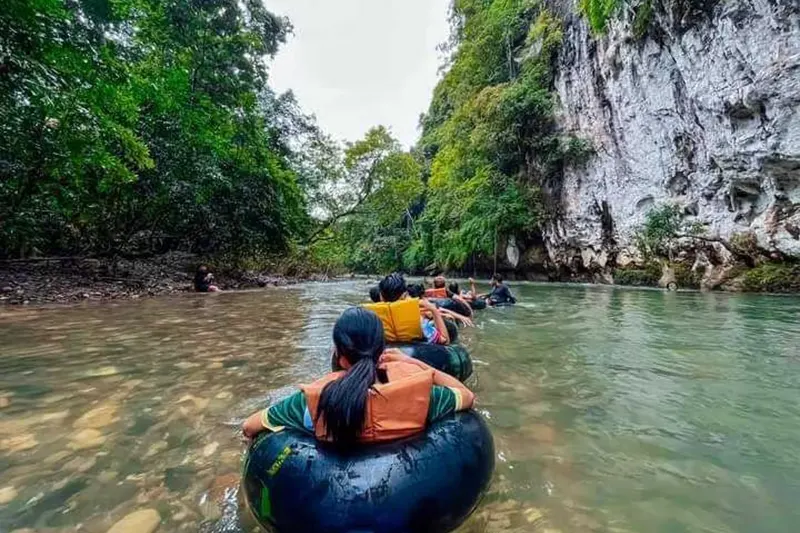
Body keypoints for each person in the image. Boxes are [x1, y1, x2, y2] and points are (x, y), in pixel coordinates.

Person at [241, 308, 475, 444]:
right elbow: (467, 396)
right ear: (381, 350)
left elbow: (249, 427)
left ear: (339, 355)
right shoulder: (423, 398)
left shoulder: (311, 402)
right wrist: (421, 366)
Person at [365, 273, 451, 344]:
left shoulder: (372, 320)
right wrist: (433, 310)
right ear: (404, 295)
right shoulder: (418, 320)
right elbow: (445, 340)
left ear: (381, 297)